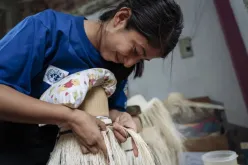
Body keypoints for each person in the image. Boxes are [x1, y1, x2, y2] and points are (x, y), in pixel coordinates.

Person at [0, 0, 183, 164]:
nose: (129, 63)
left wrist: (121, 119)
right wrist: (70, 117)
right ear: (121, 18)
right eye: (135, 50)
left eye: (140, 60)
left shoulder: (118, 64)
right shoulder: (47, 29)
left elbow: (111, 109)